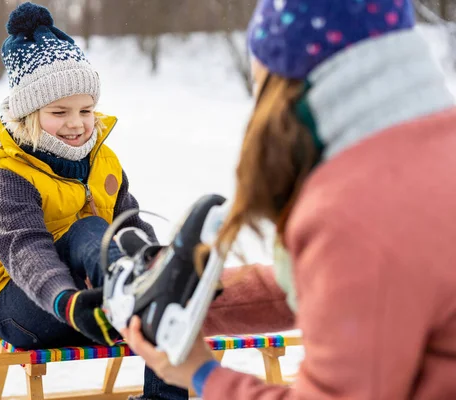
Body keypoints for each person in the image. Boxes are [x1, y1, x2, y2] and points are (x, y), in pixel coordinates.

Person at [122, 0, 456, 398]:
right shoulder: (429, 153)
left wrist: (203, 375)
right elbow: (326, 284)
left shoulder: (353, 211)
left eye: (259, 83)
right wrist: (194, 299)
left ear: (286, 82)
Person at [0, 3, 188, 399]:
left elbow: (129, 223)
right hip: (20, 303)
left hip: (93, 298)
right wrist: (66, 299)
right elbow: (25, 249)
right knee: (89, 230)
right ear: (28, 114)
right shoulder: (6, 172)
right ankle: (129, 291)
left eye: (86, 110)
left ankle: (159, 375)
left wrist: (161, 263)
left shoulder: (101, 158)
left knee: (151, 280)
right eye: (59, 111)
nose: (76, 123)